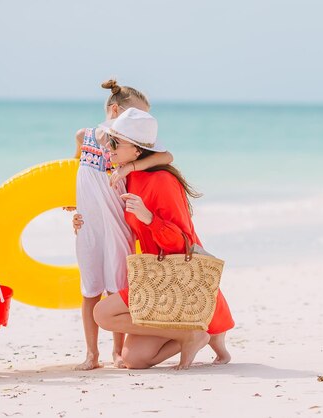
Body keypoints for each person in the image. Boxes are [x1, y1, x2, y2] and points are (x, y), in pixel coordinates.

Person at [78, 108, 234, 370]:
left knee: (102, 313)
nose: (109, 148)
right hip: (156, 278)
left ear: (138, 151)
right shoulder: (129, 176)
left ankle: (197, 331)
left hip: (179, 279)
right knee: (132, 360)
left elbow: (183, 243)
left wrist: (148, 218)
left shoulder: (162, 181)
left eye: (116, 143)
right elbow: (104, 209)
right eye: (109, 141)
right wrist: (79, 218)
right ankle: (192, 335)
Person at [71, 79, 173, 370]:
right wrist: (74, 206)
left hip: (117, 225)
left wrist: (130, 167)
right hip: (87, 225)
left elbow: (167, 156)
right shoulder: (84, 136)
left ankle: (117, 352)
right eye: (135, 117)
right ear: (115, 110)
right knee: (89, 289)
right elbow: (74, 172)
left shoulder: (131, 147)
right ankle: (91, 354)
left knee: (115, 288)